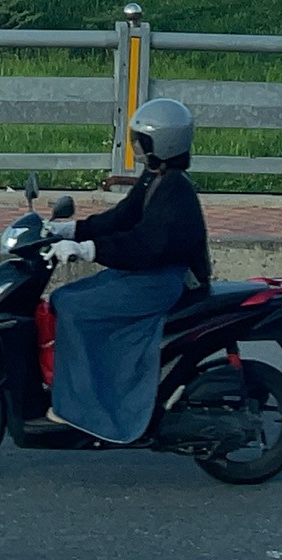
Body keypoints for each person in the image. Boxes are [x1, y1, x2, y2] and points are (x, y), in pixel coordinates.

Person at [40, 96, 211, 441]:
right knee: (62, 297)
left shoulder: (176, 192)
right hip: (146, 273)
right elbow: (121, 219)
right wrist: (70, 230)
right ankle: (80, 383)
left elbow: (143, 246)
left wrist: (87, 250)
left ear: (162, 144)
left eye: (142, 142)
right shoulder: (155, 179)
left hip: (161, 281)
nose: (137, 148)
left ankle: (85, 405)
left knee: (75, 307)